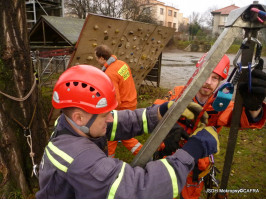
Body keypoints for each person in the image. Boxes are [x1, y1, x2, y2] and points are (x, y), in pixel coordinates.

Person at [36, 65, 220, 198]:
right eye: (105, 115)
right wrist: (194, 149)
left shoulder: (70, 123)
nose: (110, 119)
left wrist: (162, 111)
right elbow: (140, 189)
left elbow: (123, 121)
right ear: (79, 117)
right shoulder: (80, 159)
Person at [154, 54, 266, 198]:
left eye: (215, 78)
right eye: (205, 75)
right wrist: (168, 128)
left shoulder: (221, 105)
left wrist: (254, 107)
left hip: (194, 170)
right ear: (197, 74)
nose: (207, 82)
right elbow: (155, 110)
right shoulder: (178, 93)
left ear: (221, 81)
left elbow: (245, 119)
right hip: (166, 161)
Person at [95, 44, 142, 158]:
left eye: (96, 58)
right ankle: (148, 154)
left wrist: (107, 114)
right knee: (118, 135)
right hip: (131, 102)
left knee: (115, 135)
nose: (96, 60)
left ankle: (146, 155)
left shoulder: (109, 73)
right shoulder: (122, 64)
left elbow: (116, 100)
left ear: (102, 58)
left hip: (122, 108)